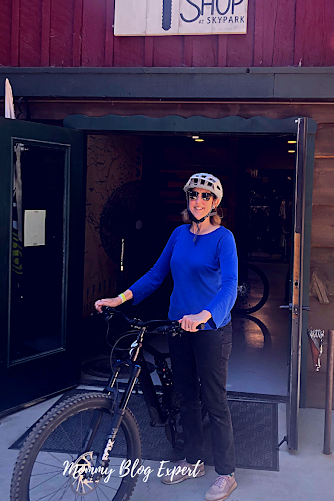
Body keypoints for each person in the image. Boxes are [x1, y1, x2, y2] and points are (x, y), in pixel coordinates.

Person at [95, 173, 238, 501]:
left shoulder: (223, 238)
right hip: (178, 327)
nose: (198, 201)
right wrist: (121, 298)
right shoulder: (178, 234)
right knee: (186, 398)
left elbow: (230, 284)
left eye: (205, 196)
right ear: (188, 200)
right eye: (194, 196)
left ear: (215, 203)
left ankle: (226, 473)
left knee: (215, 401)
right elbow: (156, 274)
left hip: (211, 331)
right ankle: (193, 461)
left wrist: (205, 315)